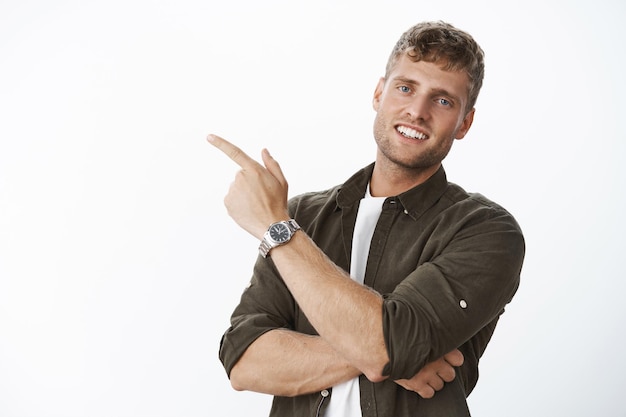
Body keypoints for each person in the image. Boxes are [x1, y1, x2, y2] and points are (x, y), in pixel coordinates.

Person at [209, 20, 525, 417]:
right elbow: (244, 361)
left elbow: (386, 349)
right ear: (379, 93)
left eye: (443, 100)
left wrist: (274, 228)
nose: (417, 110)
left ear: (465, 123)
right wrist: (391, 355)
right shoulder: (303, 217)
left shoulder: (485, 231)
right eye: (405, 88)